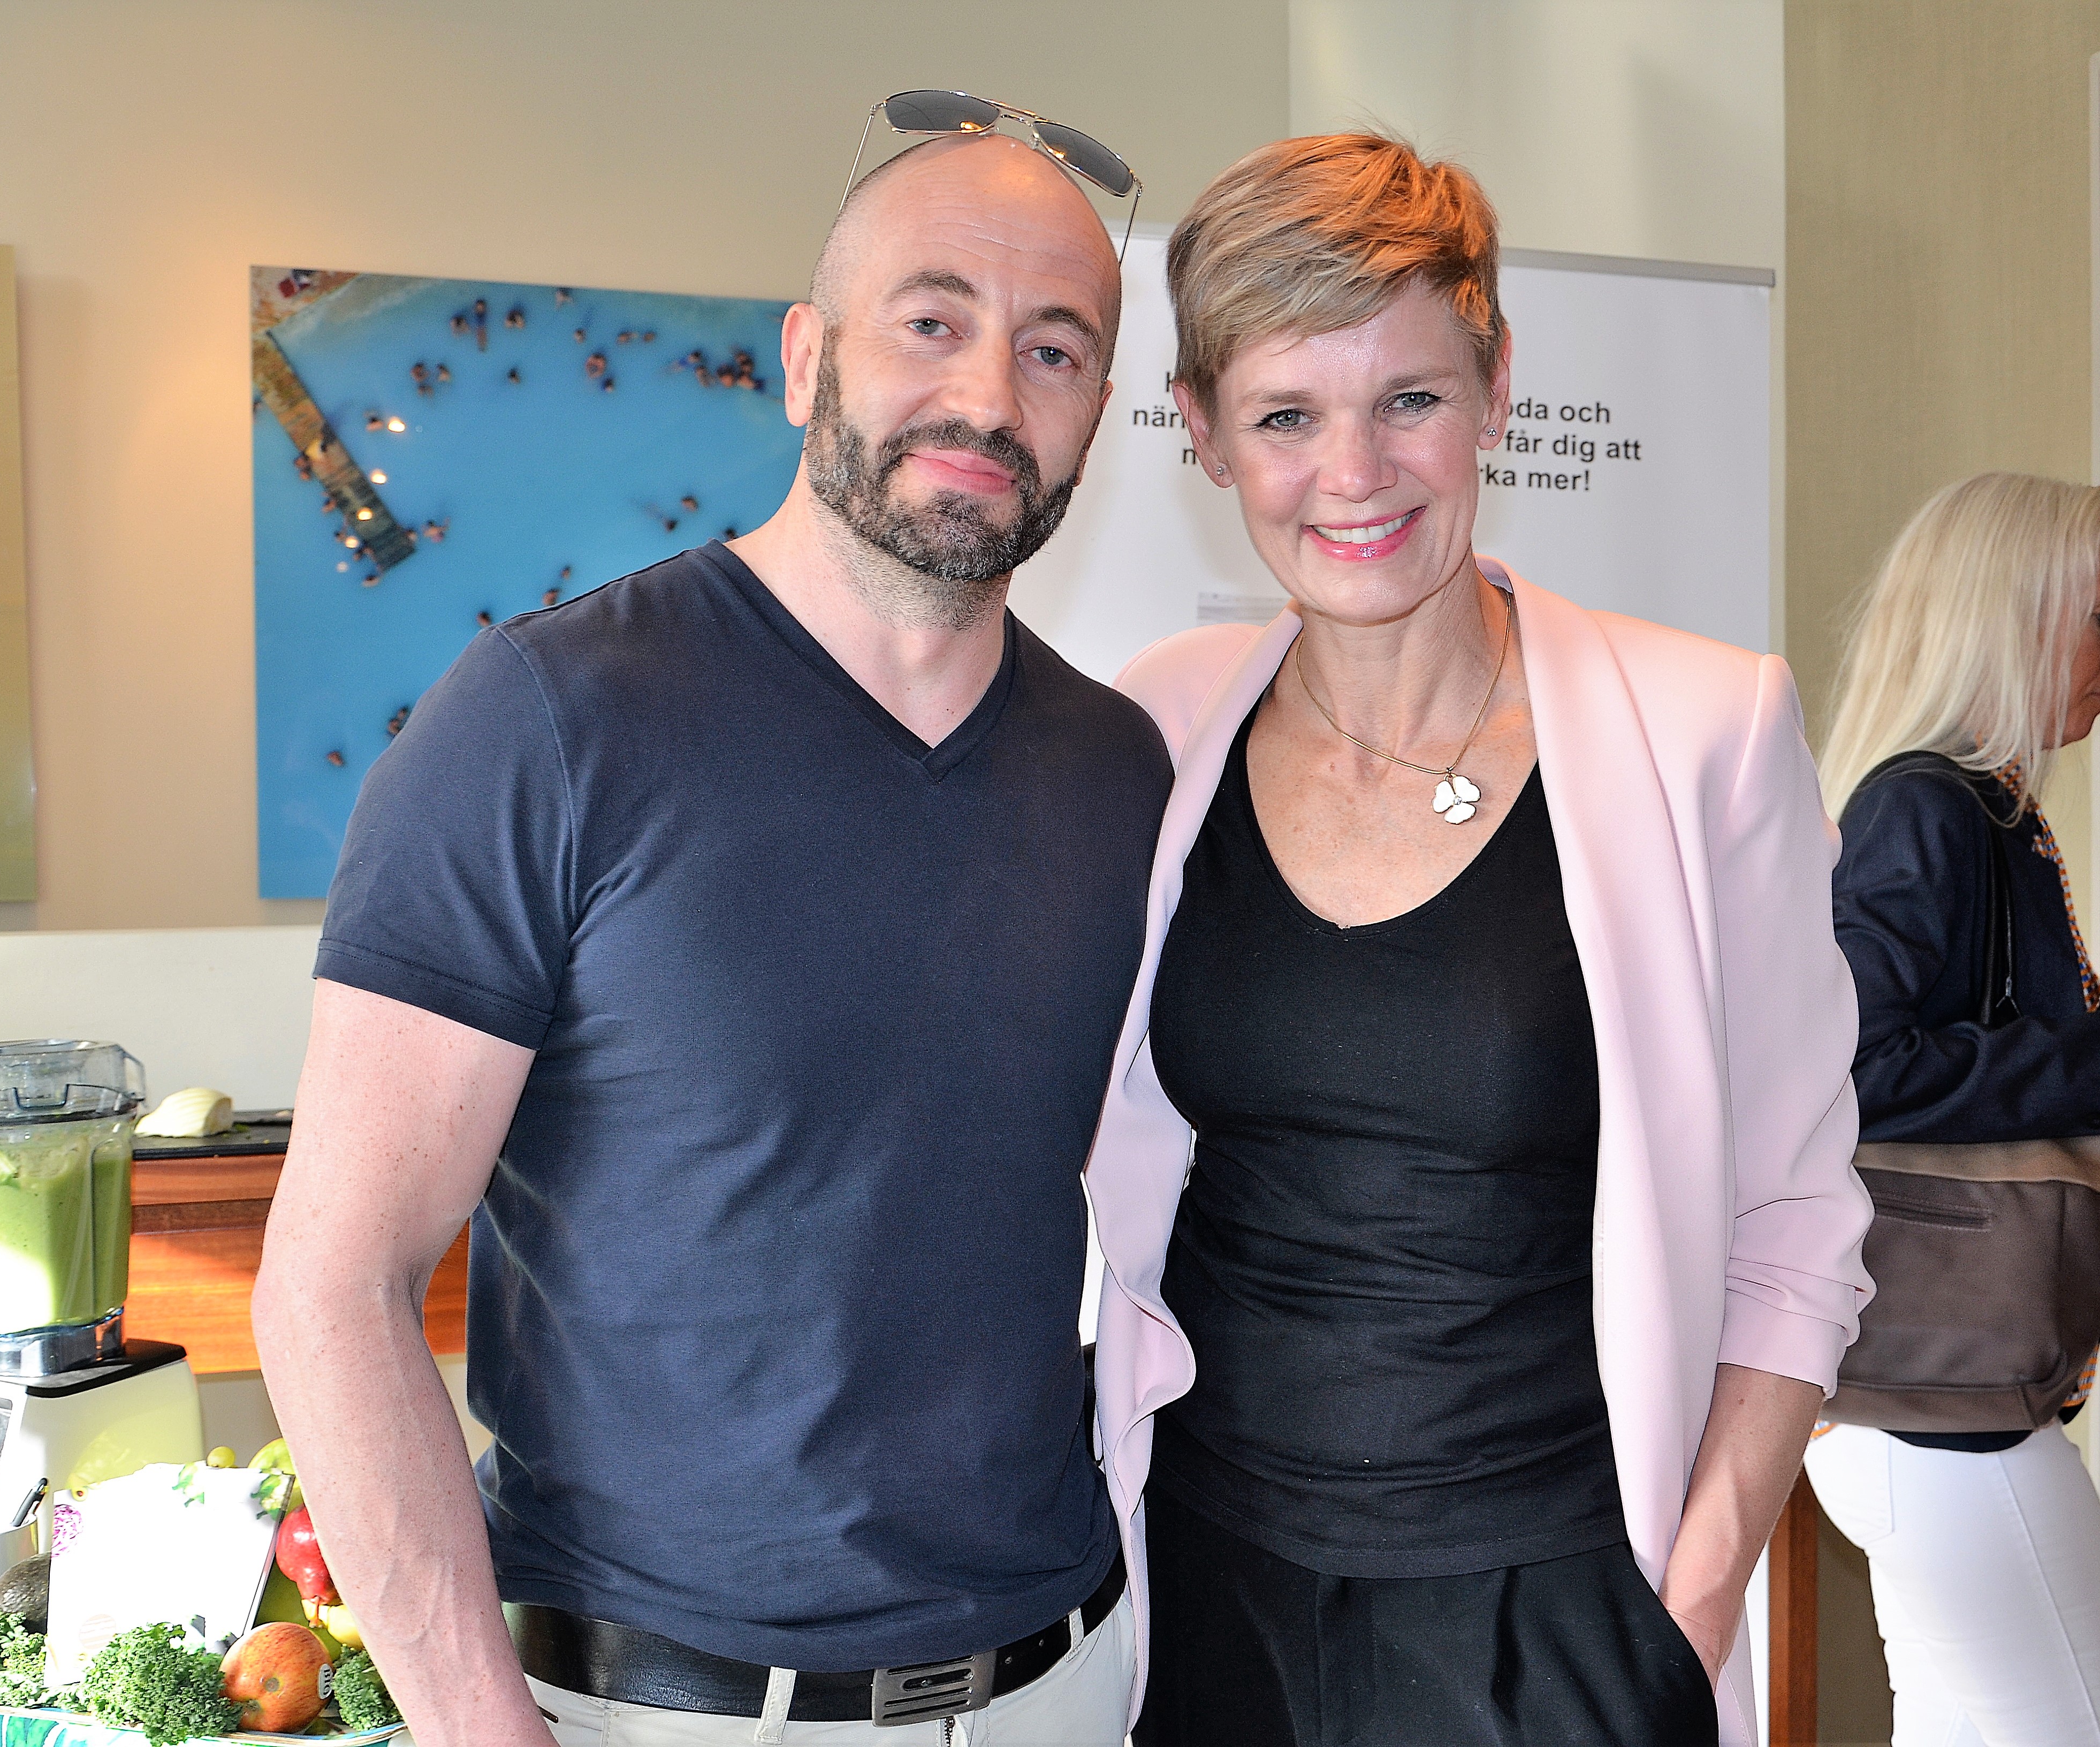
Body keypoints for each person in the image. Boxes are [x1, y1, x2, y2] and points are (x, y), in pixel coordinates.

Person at [252, 117, 1168, 1747]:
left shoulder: (1118, 770)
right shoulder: (544, 722)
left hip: (1066, 1683)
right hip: (662, 1708)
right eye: (932, 321)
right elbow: (332, 1284)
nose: (988, 395)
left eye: (1054, 349)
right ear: (808, 357)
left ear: (1098, 408)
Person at [1076, 133, 1874, 1747]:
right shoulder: (1153, 729)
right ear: (1203, 435)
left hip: (1552, 1618)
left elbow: (1799, 1223)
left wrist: (1686, 1614)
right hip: (1210, 1596)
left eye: (1410, 399)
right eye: (1286, 415)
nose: (1354, 472)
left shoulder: (1702, 733)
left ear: (1498, 387)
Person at [1809, 471, 2100, 1747]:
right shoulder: (1925, 807)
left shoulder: (1976, 808)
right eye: (2098, 618)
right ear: (2007, 622)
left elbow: (1994, 1058)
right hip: (1935, 1419)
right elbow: (1853, 1069)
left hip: (1940, 1406)